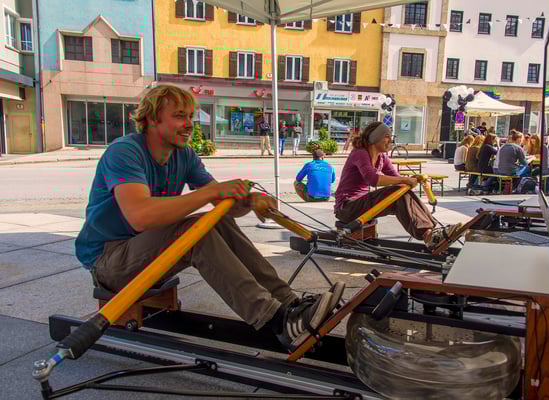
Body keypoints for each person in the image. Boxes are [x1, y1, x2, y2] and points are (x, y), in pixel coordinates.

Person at [74, 85, 344, 352]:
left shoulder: (183, 155)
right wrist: (212, 192)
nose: (189, 124)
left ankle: (289, 304)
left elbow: (225, 207)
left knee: (218, 220)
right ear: (152, 119)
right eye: (179, 116)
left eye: (190, 116)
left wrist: (250, 201)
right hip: (109, 262)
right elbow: (140, 216)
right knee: (195, 233)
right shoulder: (125, 151)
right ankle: (275, 320)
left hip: (146, 251)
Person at [334, 121, 462, 251]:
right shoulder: (360, 153)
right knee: (397, 192)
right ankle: (429, 236)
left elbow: (398, 179)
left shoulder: (382, 157)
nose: (391, 140)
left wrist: (412, 179)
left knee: (401, 192)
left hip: (361, 205)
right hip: (346, 207)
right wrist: (405, 180)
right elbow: (372, 179)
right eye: (387, 137)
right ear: (375, 138)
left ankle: (432, 233)